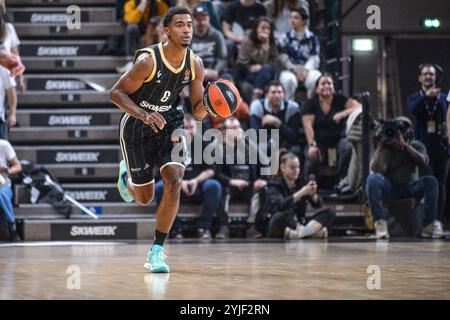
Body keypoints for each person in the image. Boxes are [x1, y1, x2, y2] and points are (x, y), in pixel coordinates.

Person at [108, 6, 209, 273]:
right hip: (137, 124)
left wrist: (211, 104)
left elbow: (198, 112)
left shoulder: (195, 64)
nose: (187, 29)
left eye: (189, 24)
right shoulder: (148, 61)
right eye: (179, 24)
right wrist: (144, 114)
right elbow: (115, 93)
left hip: (170, 121)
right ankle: (126, 178)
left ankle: (157, 251)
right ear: (166, 31)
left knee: (175, 179)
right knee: (143, 198)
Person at [366, 117, 444, 239]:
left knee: (431, 181)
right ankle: (379, 222)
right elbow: (376, 169)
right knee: (372, 179)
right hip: (391, 188)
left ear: (410, 131)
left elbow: (423, 162)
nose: (400, 132)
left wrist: (405, 145)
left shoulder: (416, 145)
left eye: (403, 128)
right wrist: (381, 145)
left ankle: (429, 224)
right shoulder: (387, 147)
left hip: (410, 187)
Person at [154, 113, 222, 240]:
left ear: (196, 128)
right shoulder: (171, 143)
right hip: (175, 185)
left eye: (192, 127)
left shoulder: (204, 143)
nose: (189, 131)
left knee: (214, 185)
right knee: (159, 187)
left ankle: (203, 228)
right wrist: (180, 182)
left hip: (198, 185)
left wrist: (195, 181)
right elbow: (163, 171)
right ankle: (174, 229)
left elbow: (211, 170)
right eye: (186, 128)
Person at [407, 63, 449, 224]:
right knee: (427, 183)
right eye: (425, 74)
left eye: (431, 74)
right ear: (420, 78)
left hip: (441, 148)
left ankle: (436, 220)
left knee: (441, 186)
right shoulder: (414, 97)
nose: (428, 77)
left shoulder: (444, 98)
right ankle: (425, 220)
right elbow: (413, 109)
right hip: (422, 149)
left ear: (436, 77)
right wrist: (426, 96)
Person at [214, 117, 268, 238]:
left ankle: (251, 226)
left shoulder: (251, 145)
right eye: (232, 129)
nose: (237, 131)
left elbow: (265, 163)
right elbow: (216, 172)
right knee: (219, 188)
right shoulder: (217, 147)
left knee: (263, 189)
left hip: (249, 185)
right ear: (224, 132)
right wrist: (231, 181)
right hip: (229, 185)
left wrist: (262, 179)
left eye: (238, 127)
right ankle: (224, 226)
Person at [301, 74, 359, 184]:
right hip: (319, 143)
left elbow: (359, 106)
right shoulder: (311, 103)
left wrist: (343, 113)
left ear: (333, 87)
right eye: (323, 83)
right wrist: (312, 145)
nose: (326, 86)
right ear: (317, 89)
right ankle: (308, 187)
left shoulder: (340, 99)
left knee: (348, 147)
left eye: (329, 83)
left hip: (336, 143)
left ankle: (342, 181)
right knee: (311, 155)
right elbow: (308, 127)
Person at [266, 150, 335, 239]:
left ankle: (301, 233)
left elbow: (318, 204)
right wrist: (301, 192)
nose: (296, 170)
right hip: (280, 225)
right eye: (292, 167)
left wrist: (313, 194)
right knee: (280, 216)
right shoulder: (274, 185)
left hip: (299, 222)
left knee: (329, 213)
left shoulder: (300, 182)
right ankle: (309, 233)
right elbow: (280, 205)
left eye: (298, 167)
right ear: (283, 168)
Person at [278, 7, 321, 100]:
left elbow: (315, 57)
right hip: (290, 70)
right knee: (289, 80)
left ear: (303, 21)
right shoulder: (285, 37)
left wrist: (306, 70)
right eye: (290, 17)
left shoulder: (312, 37)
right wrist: (294, 70)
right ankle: (289, 107)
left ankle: (311, 106)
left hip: (307, 69)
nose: (292, 20)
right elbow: (282, 57)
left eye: (296, 18)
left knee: (315, 78)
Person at [250, 80, 302, 157]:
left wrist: (277, 123)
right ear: (266, 94)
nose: (277, 96)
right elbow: (255, 135)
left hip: (287, 144)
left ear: (284, 94)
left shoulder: (292, 107)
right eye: (273, 92)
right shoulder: (257, 106)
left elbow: (294, 136)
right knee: (256, 150)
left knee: (296, 150)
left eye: (279, 92)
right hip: (266, 143)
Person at [236, 17, 279, 100]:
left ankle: (256, 95)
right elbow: (244, 62)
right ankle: (257, 96)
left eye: (268, 29)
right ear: (256, 29)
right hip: (247, 71)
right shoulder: (248, 41)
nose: (265, 31)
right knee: (265, 71)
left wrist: (266, 44)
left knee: (267, 70)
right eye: (263, 28)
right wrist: (265, 47)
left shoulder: (272, 42)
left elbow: (273, 61)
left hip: (266, 72)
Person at [191, 4, 228, 83]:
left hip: (213, 71)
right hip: (193, 73)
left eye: (204, 19)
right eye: (198, 19)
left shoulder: (217, 35)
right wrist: (199, 72)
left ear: (209, 19)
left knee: (228, 78)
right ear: (193, 21)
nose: (201, 22)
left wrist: (216, 71)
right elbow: (184, 59)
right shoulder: (187, 36)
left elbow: (223, 57)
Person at [0, 138, 22, 241]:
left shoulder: (3, 145)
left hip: (2, 184)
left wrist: (9, 170)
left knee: (1, 193)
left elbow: (18, 166)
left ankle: (11, 226)